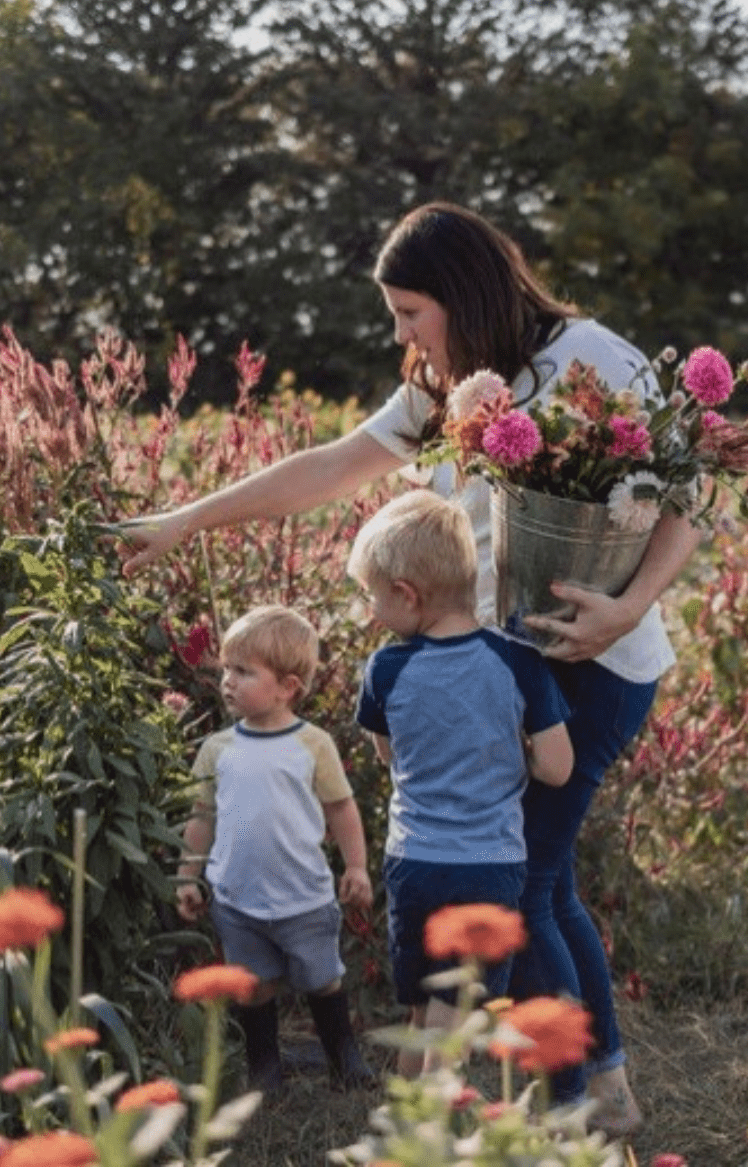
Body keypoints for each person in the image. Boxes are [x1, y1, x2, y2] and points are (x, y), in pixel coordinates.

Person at [125, 200, 703, 1133]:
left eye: (409, 312)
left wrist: (630, 606)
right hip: (514, 668)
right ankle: (603, 1087)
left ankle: (578, 1102)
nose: (400, 333)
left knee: (526, 885)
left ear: (463, 295)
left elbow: (690, 489)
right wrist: (185, 519)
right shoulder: (447, 392)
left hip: (599, 662)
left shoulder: (589, 357)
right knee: (544, 882)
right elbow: (326, 465)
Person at [347, 490, 573, 1074]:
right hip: (488, 863)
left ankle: (405, 1123)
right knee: (458, 1012)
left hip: (413, 861)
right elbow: (557, 767)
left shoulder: (385, 669)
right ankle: (433, 1131)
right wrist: (509, 750)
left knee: (425, 1005)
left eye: (371, 595)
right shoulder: (519, 661)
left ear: (406, 594)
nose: (370, 609)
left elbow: (388, 754)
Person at [176, 604, 375, 1093]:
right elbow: (202, 817)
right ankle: (264, 1068)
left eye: (243, 671)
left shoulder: (312, 745)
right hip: (237, 900)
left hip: (303, 898)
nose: (228, 681)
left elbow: (342, 809)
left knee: (320, 978)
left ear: (288, 687)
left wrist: (357, 866)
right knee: (254, 985)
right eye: (226, 669)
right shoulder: (218, 749)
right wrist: (187, 874)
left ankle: (344, 1057)